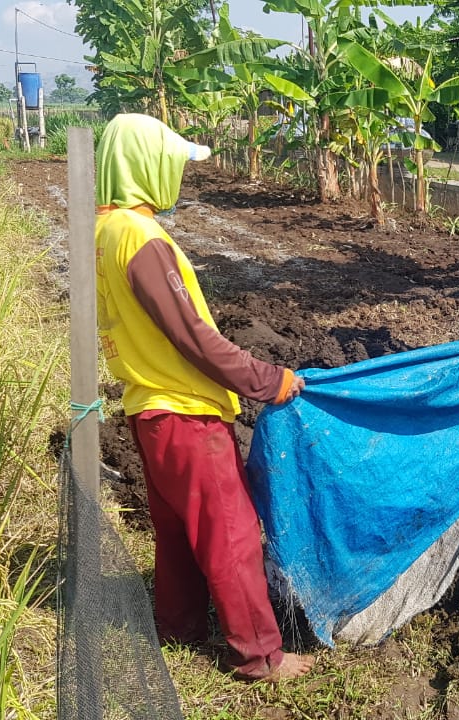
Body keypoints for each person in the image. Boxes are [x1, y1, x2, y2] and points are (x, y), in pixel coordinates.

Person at [93, 113, 315, 682]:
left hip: (148, 406)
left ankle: (179, 626)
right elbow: (194, 337)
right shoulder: (141, 239)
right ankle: (258, 655)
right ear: (146, 165)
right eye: (173, 165)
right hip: (186, 410)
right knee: (232, 536)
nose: (179, 178)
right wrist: (269, 381)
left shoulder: (104, 229)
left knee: (175, 530)